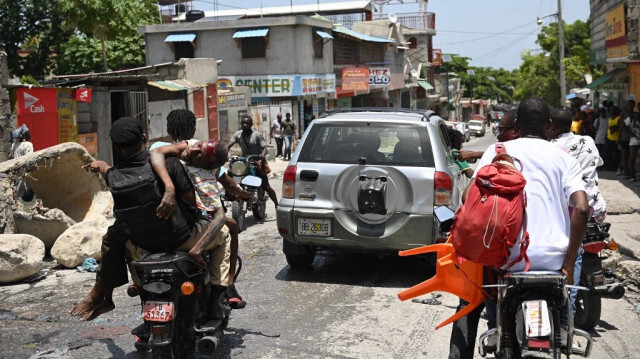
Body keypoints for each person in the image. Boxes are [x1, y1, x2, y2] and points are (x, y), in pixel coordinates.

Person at [449, 97, 589, 359]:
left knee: (482, 304)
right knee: (562, 322)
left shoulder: (499, 150)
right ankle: (563, 333)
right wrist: (568, 265)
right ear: (549, 125)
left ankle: (495, 332)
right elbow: (581, 209)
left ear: (517, 124)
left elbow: (469, 197)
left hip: (508, 261)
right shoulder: (564, 157)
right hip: (555, 263)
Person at [70, 117, 231, 323]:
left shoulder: (115, 177)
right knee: (224, 233)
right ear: (144, 137)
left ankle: (134, 298)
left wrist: (100, 164)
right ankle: (218, 298)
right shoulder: (170, 165)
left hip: (143, 245)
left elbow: (107, 171)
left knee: (118, 241)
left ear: (117, 146)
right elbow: (195, 202)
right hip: (181, 239)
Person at [151, 109, 250, 309]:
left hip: (161, 218)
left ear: (169, 129)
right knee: (230, 228)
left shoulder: (157, 147)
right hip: (191, 219)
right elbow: (228, 183)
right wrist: (244, 193)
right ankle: (228, 285)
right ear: (194, 129)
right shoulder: (203, 150)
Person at [448, 109, 520, 359]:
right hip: (544, 258)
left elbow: (469, 196)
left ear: (517, 130)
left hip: (497, 252)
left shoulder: (498, 152)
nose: (498, 135)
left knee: (469, 299)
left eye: (502, 130)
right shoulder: (558, 154)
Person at [227, 115, 279, 209]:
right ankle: (229, 194)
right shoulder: (238, 134)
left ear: (251, 124)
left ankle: (276, 204)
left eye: (247, 123)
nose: (244, 125)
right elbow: (229, 145)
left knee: (265, 186)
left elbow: (264, 148)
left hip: (257, 162)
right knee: (230, 172)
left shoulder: (257, 135)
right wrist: (223, 153)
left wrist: (262, 155)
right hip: (244, 162)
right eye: (243, 123)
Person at [10, 124, 35, 202]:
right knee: (26, 195)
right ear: (24, 135)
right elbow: (29, 158)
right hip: (25, 172)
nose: (29, 134)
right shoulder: (28, 145)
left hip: (15, 172)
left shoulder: (14, 145)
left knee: (15, 192)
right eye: (27, 133)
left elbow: (11, 156)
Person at [604, 106, 621, 171]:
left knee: (616, 154)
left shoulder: (619, 118)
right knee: (607, 153)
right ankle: (609, 166)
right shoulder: (610, 118)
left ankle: (615, 167)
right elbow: (609, 127)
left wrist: (618, 139)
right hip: (609, 138)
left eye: (613, 110)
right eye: (611, 110)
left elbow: (620, 129)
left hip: (615, 139)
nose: (612, 111)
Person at [626, 106, 640, 181]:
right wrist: (629, 133)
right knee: (632, 158)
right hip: (634, 140)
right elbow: (625, 124)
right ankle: (632, 175)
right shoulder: (633, 116)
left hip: (635, 139)